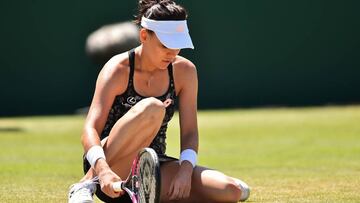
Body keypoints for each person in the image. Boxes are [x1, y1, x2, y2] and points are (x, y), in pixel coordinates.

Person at [68, 0, 250, 202]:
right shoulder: (117, 69)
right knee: (153, 107)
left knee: (230, 190)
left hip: (151, 168)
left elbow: (189, 132)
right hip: (107, 170)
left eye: (178, 45)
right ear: (144, 36)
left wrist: (185, 171)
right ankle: (85, 184)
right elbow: (89, 129)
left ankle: (139, 193)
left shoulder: (186, 71)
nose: (172, 53)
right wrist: (102, 171)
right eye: (165, 45)